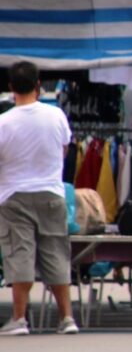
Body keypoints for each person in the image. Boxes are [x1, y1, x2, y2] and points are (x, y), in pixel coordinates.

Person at [0, 61, 78, 336]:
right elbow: (64, 150)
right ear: (38, 84)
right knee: (56, 252)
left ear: (11, 88)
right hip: (52, 194)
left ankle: (19, 319)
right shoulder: (56, 115)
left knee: (19, 253)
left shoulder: (4, 122)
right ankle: (67, 318)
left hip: (14, 196)